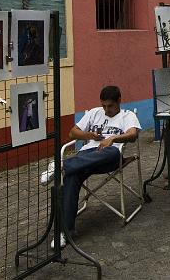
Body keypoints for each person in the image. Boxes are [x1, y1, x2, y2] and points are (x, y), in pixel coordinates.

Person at [57, 86, 141, 246]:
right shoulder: (94, 113)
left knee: (112, 152)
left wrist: (113, 139)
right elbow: (72, 133)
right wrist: (90, 135)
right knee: (72, 177)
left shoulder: (127, 115)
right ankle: (64, 231)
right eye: (104, 106)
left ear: (119, 101)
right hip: (86, 157)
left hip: (108, 158)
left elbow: (132, 135)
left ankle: (61, 166)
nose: (106, 109)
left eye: (110, 106)